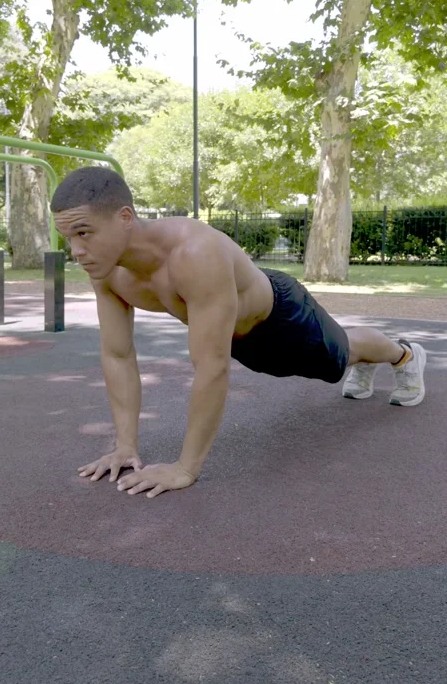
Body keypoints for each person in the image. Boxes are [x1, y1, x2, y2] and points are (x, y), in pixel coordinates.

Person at [51, 167, 427, 499]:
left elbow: (211, 367)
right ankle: (370, 359)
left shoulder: (194, 253)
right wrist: (124, 445)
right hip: (239, 339)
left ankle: (405, 355)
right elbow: (118, 354)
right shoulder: (109, 272)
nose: (77, 251)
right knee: (337, 359)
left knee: (342, 356)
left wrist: (186, 468)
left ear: (125, 217)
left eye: (84, 232)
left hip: (282, 318)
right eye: (69, 238)